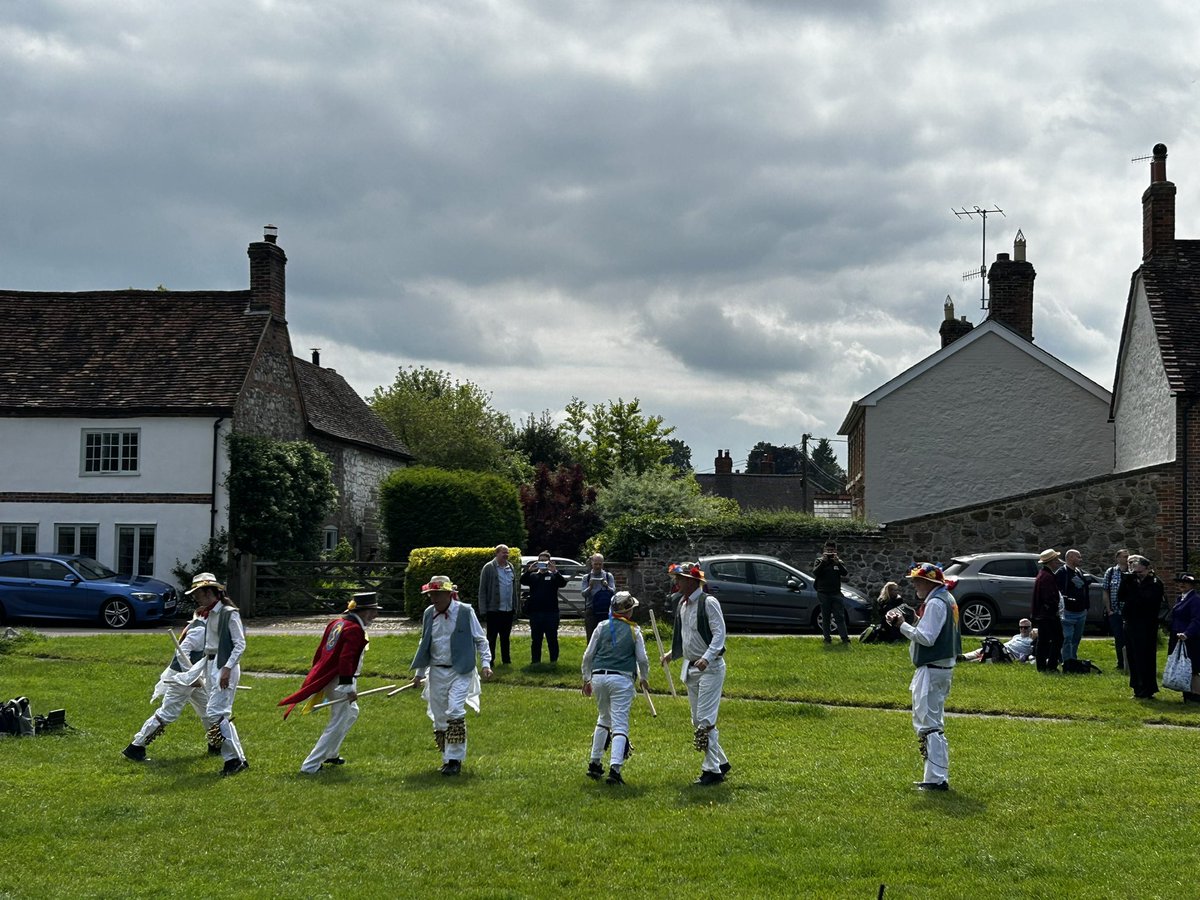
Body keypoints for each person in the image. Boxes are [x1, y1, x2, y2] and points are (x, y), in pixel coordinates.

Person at [279, 592, 381, 774]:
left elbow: (321, 652)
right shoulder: (354, 629)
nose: (375, 615)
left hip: (334, 678)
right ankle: (310, 765)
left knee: (352, 713)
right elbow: (346, 659)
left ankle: (331, 753)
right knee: (338, 721)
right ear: (364, 611)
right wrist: (348, 687)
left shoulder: (337, 623)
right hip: (342, 680)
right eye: (373, 611)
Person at [886, 562, 960, 791]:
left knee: (929, 725)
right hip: (938, 669)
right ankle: (935, 776)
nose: (914, 584)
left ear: (929, 582)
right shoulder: (945, 599)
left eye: (917, 580)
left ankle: (936, 778)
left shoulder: (937, 603)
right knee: (932, 723)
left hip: (933, 669)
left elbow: (927, 638)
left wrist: (902, 626)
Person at [411, 575, 493, 775]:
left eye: (437, 594)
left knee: (455, 711)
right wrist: (419, 674)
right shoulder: (429, 613)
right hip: (437, 671)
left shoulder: (465, 611)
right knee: (440, 716)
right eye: (431, 595)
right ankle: (447, 758)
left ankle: (455, 760)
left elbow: (480, 639)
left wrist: (485, 663)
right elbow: (425, 643)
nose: (433, 599)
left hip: (460, 670)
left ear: (449, 594)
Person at [660, 562, 730, 785]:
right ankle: (721, 762)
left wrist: (706, 658)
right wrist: (673, 653)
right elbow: (686, 635)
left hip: (710, 668)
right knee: (697, 719)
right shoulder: (682, 604)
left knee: (706, 721)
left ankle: (712, 771)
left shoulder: (709, 602)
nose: (676, 582)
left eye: (679, 578)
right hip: (691, 668)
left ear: (691, 581)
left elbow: (720, 635)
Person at [121, 611, 218, 762]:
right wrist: (190, 676)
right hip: (181, 679)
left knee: (208, 710)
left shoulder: (206, 627)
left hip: (195, 678)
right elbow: (181, 652)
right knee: (168, 713)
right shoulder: (200, 630)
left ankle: (215, 744)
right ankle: (136, 747)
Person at [581, 591, 651, 785]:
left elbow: (588, 656)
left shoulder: (601, 626)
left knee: (604, 718)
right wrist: (644, 678)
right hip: (621, 679)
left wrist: (586, 679)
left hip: (599, 678)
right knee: (620, 724)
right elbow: (643, 659)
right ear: (628, 612)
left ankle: (595, 763)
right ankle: (615, 769)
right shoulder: (634, 631)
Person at [189, 572, 249, 776]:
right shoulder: (209, 613)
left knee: (215, 713)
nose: (196, 597)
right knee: (220, 714)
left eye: (198, 593)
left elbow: (240, 644)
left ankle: (232, 760)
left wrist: (227, 669)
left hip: (225, 666)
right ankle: (239, 758)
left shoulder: (229, 612)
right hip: (212, 664)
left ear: (209, 592)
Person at [1119, 554, 1164, 699]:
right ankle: (1136, 687)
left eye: (1140, 572)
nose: (1137, 575)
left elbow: (1146, 601)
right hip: (1131, 622)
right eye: (1135, 572)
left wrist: (1135, 587)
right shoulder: (1132, 581)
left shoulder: (1155, 583)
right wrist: (1126, 582)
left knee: (1144, 656)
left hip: (1146, 625)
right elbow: (1121, 597)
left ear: (1147, 569)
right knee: (1132, 656)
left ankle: (1147, 688)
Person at [520, 551, 567, 664]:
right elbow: (522, 581)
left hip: (551, 613)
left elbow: (562, 583)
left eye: (545, 561)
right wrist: (529, 570)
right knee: (536, 639)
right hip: (536, 613)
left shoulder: (553, 576)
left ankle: (553, 661)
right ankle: (535, 661)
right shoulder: (533, 576)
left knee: (552, 639)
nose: (542, 563)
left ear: (549, 562)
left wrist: (555, 570)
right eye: (540, 560)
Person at [478, 544, 517, 666]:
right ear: (497, 553)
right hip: (494, 610)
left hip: (508, 609)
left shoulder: (510, 567)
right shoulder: (489, 568)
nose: (506, 555)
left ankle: (506, 660)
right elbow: (482, 590)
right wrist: (483, 609)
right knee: (492, 638)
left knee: (505, 637)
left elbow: (513, 589)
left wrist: (515, 606)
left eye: (507, 553)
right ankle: (490, 661)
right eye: (503, 552)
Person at [1168, 573, 1200, 703]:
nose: (1182, 585)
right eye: (1180, 582)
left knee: (1193, 666)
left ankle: (1196, 695)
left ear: (1192, 585)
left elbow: (1197, 620)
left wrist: (1187, 633)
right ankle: (1187, 694)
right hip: (1177, 636)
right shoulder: (1180, 599)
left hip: (1190, 637)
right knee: (1182, 665)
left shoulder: (1195, 600)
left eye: (1185, 583)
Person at [1031, 549, 1064, 672]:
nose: (1058, 562)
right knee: (1055, 639)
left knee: (1045, 640)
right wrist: (1054, 608)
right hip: (1047, 615)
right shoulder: (1047, 577)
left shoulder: (1044, 574)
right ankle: (1049, 665)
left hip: (1044, 614)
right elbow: (1048, 597)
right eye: (1056, 560)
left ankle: (1045, 666)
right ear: (1051, 562)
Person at [1057, 549, 1092, 662]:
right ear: (1070, 557)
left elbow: (1085, 590)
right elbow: (1057, 591)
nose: (1080, 559)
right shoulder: (1062, 572)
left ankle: (1073, 659)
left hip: (1081, 611)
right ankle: (1066, 662)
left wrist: (1086, 607)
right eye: (1078, 557)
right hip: (1068, 611)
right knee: (1067, 637)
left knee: (1076, 638)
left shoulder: (1079, 572)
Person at [813, 541, 850, 644]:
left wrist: (838, 563)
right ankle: (827, 638)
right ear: (824, 551)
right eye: (827, 550)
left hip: (836, 593)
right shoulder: (819, 561)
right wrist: (823, 562)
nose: (829, 552)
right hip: (823, 593)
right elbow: (816, 572)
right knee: (826, 617)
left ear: (835, 551)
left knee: (839, 616)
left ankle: (845, 638)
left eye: (831, 550)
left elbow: (845, 573)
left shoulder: (838, 562)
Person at [1102, 549, 1130, 671]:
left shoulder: (1132, 573)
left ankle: (1130, 663)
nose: (1126, 559)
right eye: (1124, 557)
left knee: (1129, 638)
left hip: (1129, 612)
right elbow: (1105, 591)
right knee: (1119, 638)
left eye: (1128, 557)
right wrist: (1109, 610)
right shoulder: (1111, 572)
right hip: (1115, 612)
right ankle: (1120, 663)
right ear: (1117, 558)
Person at [961, 619, 1037, 662]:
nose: (1023, 629)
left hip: (1009, 655)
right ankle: (963, 657)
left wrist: (1035, 635)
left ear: (1030, 627)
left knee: (991, 654)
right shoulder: (1016, 636)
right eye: (1021, 627)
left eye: (1026, 627)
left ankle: (971, 661)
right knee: (988, 645)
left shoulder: (1032, 641)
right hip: (1001, 648)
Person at [580, 553, 616, 640]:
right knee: (591, 637)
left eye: (600, 564)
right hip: (591, 610)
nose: (598, 566)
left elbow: (614, 592)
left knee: (605, 637)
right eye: (596, 564)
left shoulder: (608, 576)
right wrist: (590, 587)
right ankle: (590, 653)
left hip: (605, 610)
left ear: (603, 564)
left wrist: (607, 586)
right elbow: (583, 594)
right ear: (591, 563)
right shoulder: (586, 577)